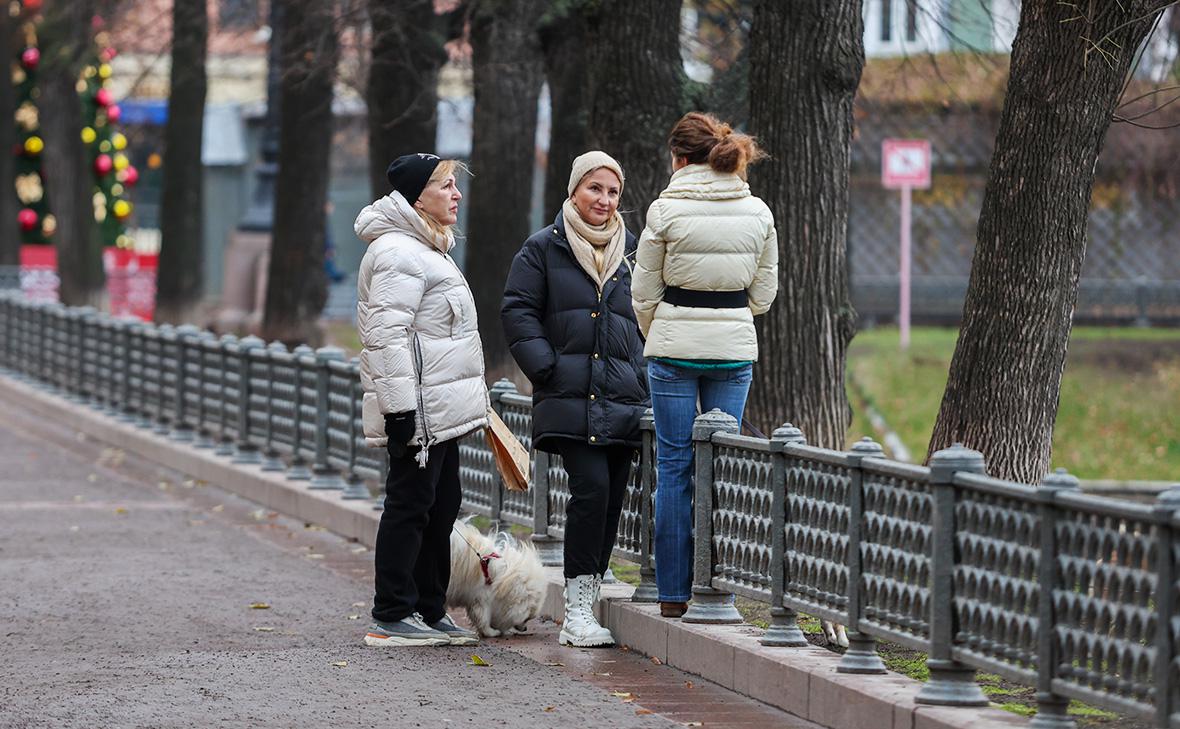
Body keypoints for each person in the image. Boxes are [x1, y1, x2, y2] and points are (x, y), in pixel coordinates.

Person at [631, 113, 778, 619]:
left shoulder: (665, 209)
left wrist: (662, 330)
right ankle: (721, 590)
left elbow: (643, 290)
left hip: (673, 348)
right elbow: (764, 293)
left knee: (674, 469)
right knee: (722, 469)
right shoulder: (756, 210)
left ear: (678, 158)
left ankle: (673, 594)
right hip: (734, 349)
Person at [501, 151, 649, 647]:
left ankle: (589, 594)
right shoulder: (544, 247)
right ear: (573, 190)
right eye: (594, 189)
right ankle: (577, 612)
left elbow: (648, 319)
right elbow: (518, 311)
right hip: (570, 397)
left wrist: (643, 375)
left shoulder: (632, 255)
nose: (604, 200)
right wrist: (547, 368)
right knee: (591, 492)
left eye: (612, 192)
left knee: (610, 501)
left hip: (622, 397)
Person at [354, 153, 488, 647]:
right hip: (416, 412)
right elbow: (385, 336)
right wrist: (400, 409)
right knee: (410, 505)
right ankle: (393, 611)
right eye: (447, 186)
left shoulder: (427, 248)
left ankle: (429, 609)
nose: (456, 195)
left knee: (441, 503)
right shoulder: (398, 252)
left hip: (440, 411)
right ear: (417, 197)